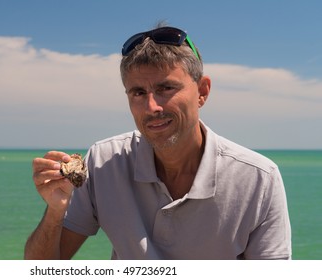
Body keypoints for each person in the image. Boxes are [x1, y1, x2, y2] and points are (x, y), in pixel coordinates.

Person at [24, 25, 292, 260]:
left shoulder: (258, 178)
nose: (152, 107)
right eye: (138, 92)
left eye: (166, 89)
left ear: (202, 92)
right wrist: (55, 212)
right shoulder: (104, 161)